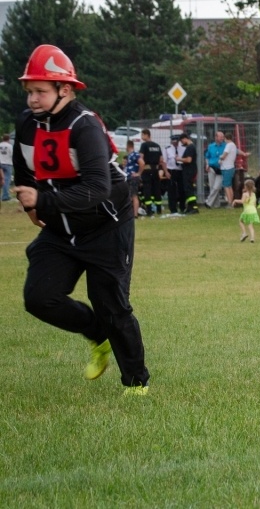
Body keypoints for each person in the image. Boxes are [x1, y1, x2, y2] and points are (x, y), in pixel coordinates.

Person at [11, 44, 149, 395]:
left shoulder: (84, 126)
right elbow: (23, 172)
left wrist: (42, 200)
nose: (33, 99)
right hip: (62, 228)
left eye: (41, 91)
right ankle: (96, 334)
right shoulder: (26, 124)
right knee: (39, 297)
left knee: (112, 306)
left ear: (65, 90)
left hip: (107, 225)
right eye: (29, 91)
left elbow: (98, 189)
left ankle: (136, 384)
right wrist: (32, 207)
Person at [138, 129, 165, 216]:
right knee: (157, 190)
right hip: (156, 170)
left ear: (146, 135)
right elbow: (161, 160)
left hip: (147, 170)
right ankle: (159, 209)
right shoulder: (157, 145)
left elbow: (141, 157)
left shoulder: (144, 145)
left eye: (142, 135)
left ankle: (149, 211)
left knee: (147, 190)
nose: (142, 137)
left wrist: (139, 171)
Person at [177, 133, 199, 214]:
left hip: (189, 171)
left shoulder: (190, 147)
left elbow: (188, 160)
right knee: (188, 189)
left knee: (189, 189)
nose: (182, 143)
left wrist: (179, 159)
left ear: (185, 139)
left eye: (181, 141)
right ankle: (190, 207)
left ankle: (194, 207)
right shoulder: (191, 147)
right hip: (190, 170)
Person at [163, 134, 185, 214]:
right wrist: (166, 172)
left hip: (180, 170)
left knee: (181, 189)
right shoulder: (167, 149)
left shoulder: (183, 148)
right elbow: (164, 161)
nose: (175, 143)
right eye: (173, 141)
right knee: (171, 190)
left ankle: (182, 207)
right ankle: (173, 208)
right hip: (171, 170)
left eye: (176, 141)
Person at [232, 178, 260, 243]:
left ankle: (244, 233)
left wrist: (235, 200)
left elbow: (242, 201)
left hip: (247, 211)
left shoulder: (245, 194)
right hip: (253, 211)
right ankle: (252, 238)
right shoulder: (254, 194)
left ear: (246, 187)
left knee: (241, 221)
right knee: (250, 225)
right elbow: (254, 204)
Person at [204, 131, 225, 208]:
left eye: (223, 136)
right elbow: (207, 156)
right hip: (211, 168)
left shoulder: (225, 146)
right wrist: (207, 164)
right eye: (220, 136)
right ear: (216, 137)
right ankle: (216, 204)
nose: (222, 138)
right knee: (212, 187)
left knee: (217, 187)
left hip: (221, 168)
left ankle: (208, 202)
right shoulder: (211, 146)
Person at [123, 140, 144, 218]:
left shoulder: (135, 154)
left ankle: (135, 214)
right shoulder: (130, 155)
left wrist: (138, 173)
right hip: (129, 177)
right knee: (130, 196)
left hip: (133, 178)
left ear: (128, 146)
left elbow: (142, 163)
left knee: (134, 196)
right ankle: (131, 213)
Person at [219, 131, 237, 208]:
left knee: (226, 186)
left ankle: (230, 202)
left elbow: (224, 156)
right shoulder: (233, 145)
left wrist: (220, 157)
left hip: (227, 167)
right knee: (229, 185)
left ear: (226, 138)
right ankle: (231, 201)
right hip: (230, 166)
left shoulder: (228, 145)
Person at [0, 132, 12, 201]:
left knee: (0, 180)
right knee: (6, 180)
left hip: (0, 163)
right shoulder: (10, 146)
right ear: (9, 139)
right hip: (7, 163)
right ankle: (5, 196)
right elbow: (12, 154)